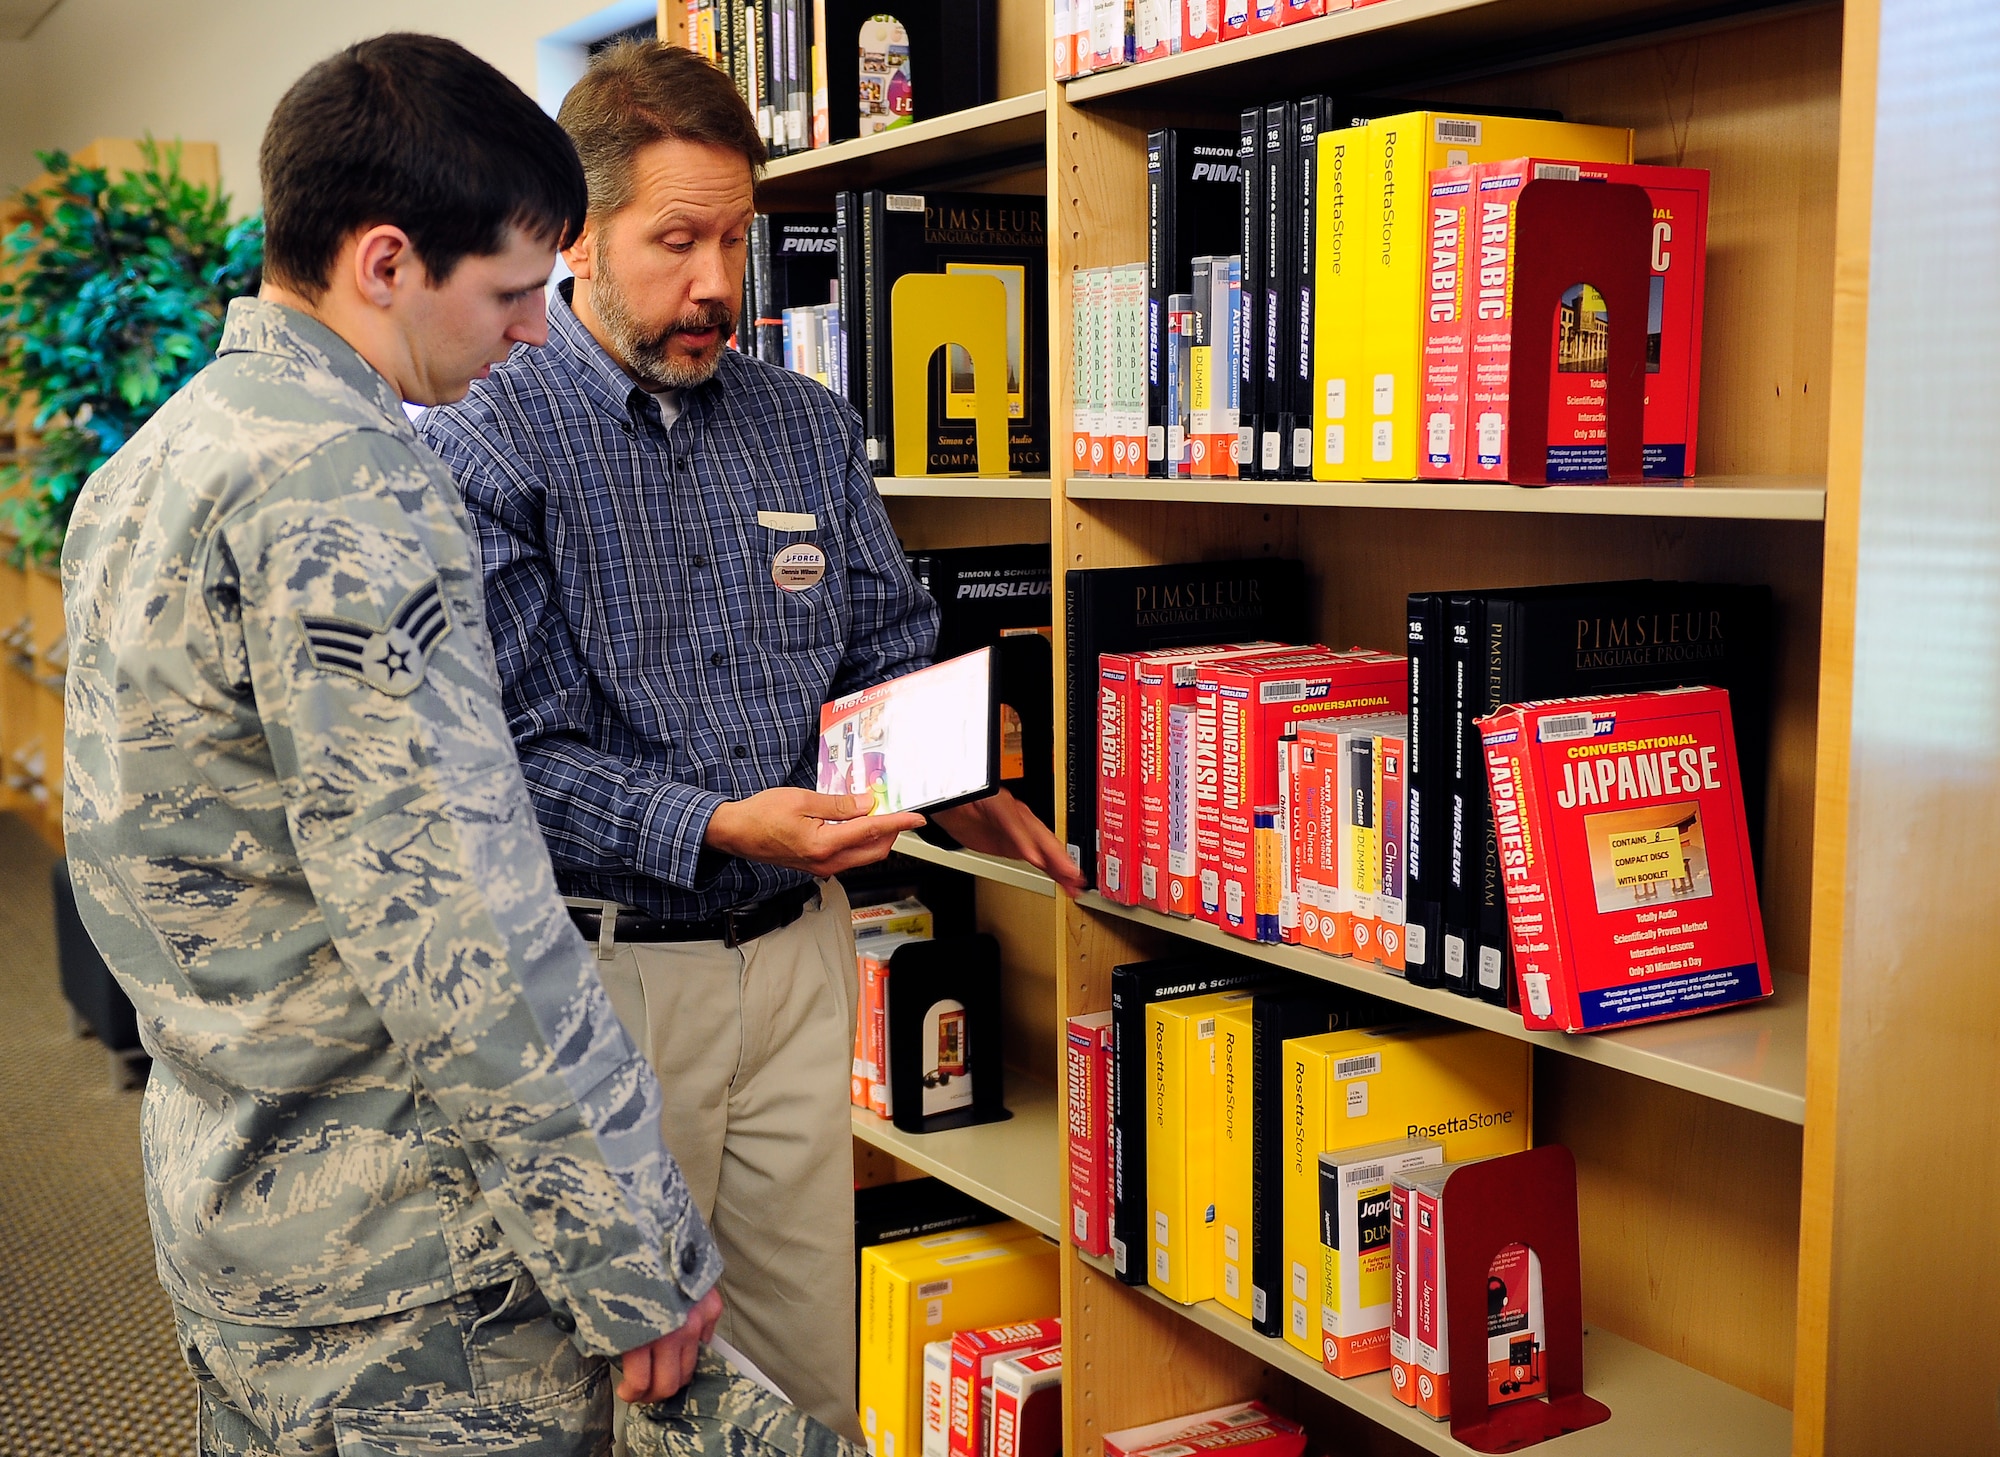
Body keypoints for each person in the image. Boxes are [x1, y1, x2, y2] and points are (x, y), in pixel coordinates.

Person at [61, 34, 724, 1456]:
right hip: (409, 1282)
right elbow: (463, 927)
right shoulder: (350, 484)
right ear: (383, 263)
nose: (533, 333)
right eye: (508, 291)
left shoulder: (150, 461)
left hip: (230, 1205)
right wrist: (633, 1253)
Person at [418, 41, 1084, 1434]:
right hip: (604, 976)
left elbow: (884, 645)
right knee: (602, 1367)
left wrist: (955, 782)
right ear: (578, 240)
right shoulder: (489, 438)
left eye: (737, 235)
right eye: (676, 241)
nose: (719, 281)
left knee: (798, 1372)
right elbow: (515, 758)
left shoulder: (805, 426)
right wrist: (722, 820)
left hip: (796, 957)